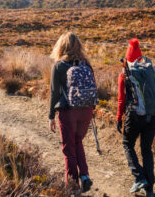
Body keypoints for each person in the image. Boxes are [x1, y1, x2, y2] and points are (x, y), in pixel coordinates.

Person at [116, 38, 155, 197]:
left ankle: (139, 178)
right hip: (152, 115)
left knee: (127, 143)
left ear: (127, 57)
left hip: (134, 115)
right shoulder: (150, 69)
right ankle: (150, 189)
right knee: (146, 150)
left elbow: (121, 99)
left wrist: (119, 118)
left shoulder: (125, 73)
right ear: (140, 56)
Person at [48, 32, 97, 192]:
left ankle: (72, 186)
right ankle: (84, 176)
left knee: (68, 148)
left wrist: (51, 116)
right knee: (77, 141)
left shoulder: (59, 66)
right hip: (87, 109)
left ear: (61, 46)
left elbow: (54, 93)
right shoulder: (86, 64)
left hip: (68, 111)